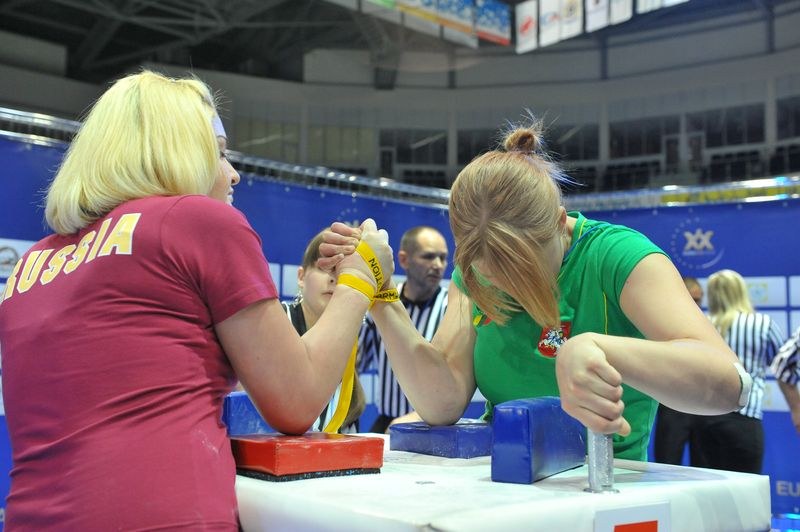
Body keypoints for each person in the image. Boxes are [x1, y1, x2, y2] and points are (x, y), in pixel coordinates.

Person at [0, 70, 393, 530]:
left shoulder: (33, 263)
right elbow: (297, 400)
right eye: (221, 154)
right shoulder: (196, 221)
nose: (235, 173)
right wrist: (360, 281)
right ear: (177, 153)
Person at [321, 119, 748, 461]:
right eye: (493, 274)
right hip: (500, 486)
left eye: (524, 270)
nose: (509, 289)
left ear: (561, 222)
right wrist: (380, 296)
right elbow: (443, 401)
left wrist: (598, 348)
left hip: (603, 491)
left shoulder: (620, 257)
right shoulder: (472, 271)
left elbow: (729, 386)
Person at [691, 269, 799, 473]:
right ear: (741, 291)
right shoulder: (762, 324)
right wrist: (796, 409)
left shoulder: (701, 325)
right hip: (744, 418)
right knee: (746, 493)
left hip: (704, 420)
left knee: (709, 494)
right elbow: (782, 367)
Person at [358, 225, 449, 433]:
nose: (438, 265)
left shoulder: (450, 308)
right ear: (404, 260)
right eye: (428, 257)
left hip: (434, 425)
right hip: (387, 423)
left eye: (443, 258)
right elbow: (355, 364)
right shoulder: (381, 300)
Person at [283, 230, 366, 433]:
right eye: (325, 268)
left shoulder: (354, 331)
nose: (334, 279)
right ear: (301, 277)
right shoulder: (277, 319)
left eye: (342, 272)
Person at [653, 276, 706, 465]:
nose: (697, 306)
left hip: (704, 408)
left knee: (704, 469)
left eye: (699, 300)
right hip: (671, 407)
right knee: (667, 464)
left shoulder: (707, 328)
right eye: (693, 300)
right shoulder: (657, 326)